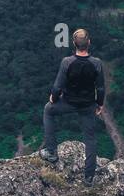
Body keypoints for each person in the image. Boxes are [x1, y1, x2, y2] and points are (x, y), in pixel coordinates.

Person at [40, 28, 105, 186]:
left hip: (68, 103)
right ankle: (89, 177)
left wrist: (53, 98)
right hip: (88, 105)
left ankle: (51, 152)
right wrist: (100, 104)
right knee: (90, 139)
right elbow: (101, 88)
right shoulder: (96, 63)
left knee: (48, 111)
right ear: (89, 43)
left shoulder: (67, 62)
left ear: (74, 44)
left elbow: (57, 87)